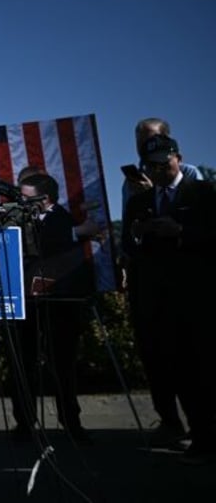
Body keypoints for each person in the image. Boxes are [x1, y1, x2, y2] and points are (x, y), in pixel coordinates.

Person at [122, 134, 216, 464]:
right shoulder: (139, 201)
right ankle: (194, 432)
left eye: (165, 163)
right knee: (177, 371)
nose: (160, 170)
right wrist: (140, 233)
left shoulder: (204, 194)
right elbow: (129, 248)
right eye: (153, 165)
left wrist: (179, 232)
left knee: (204, 369)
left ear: (179, 158)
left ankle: (207, 435)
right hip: (157, 299)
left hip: (198, 298)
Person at [8, 172, 94, 445]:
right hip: (27, 301)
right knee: (23, 363)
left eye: (26, 197)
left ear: (44, 199)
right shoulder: (20, 219)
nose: (20, 202)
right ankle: (25, 422)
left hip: (60, 302)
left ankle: (71, 421)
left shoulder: (62, 219)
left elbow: (52, 241)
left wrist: (75, 232)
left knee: (62, 365)